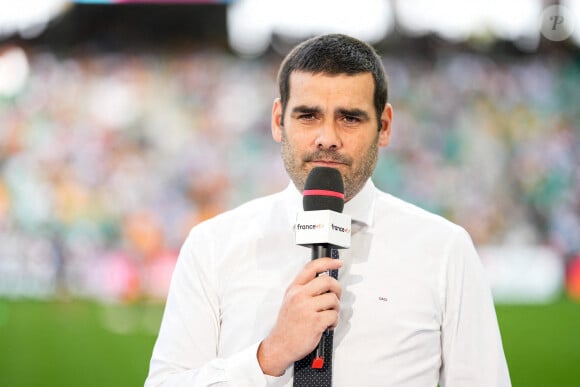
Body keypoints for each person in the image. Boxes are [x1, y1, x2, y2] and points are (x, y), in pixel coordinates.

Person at [145, 33, 511, 386]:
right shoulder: (212, 245)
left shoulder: (445, 250)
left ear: (383, 127)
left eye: (350, 118)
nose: (328, 138)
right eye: (308, 116)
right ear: (278, 121)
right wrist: (268, 357)